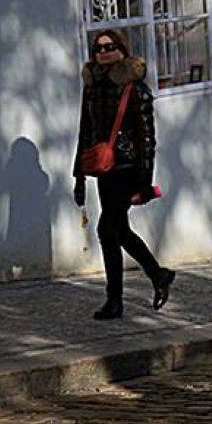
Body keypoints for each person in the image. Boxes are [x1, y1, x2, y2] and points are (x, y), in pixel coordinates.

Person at [73, 30, 176, 320]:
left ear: (121, 49)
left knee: (107, 230)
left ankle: (116, 300)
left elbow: (147, 139)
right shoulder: (91, 87)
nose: (103, 52)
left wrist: (144, 183)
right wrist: (79, 176)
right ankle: (157, 275)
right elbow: (85, 132)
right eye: (98, 48)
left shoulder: (135, 87)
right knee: (118, 231)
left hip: (128, 169)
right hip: (104, 170)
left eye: (109, 47)